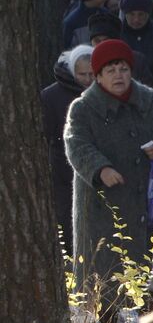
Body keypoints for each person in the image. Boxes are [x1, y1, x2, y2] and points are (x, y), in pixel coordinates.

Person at [65, 39, 153, 322]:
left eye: (123, 69)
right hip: (102, 209)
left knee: (150, 282)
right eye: (111, 70)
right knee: (105, 284)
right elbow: (75, 143)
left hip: (146, 206)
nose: (118, 75)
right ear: (98, 76)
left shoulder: (151, 101)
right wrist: (100, 168)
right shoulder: (83, 108)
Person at [43, 46, 93, 254]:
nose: (88, 79)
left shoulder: (103, 92)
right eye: (82, 74)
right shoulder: (51, 96)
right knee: (67, 222)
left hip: (95, 170)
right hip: (63, 172)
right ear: (73, 72)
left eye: (91, 74)